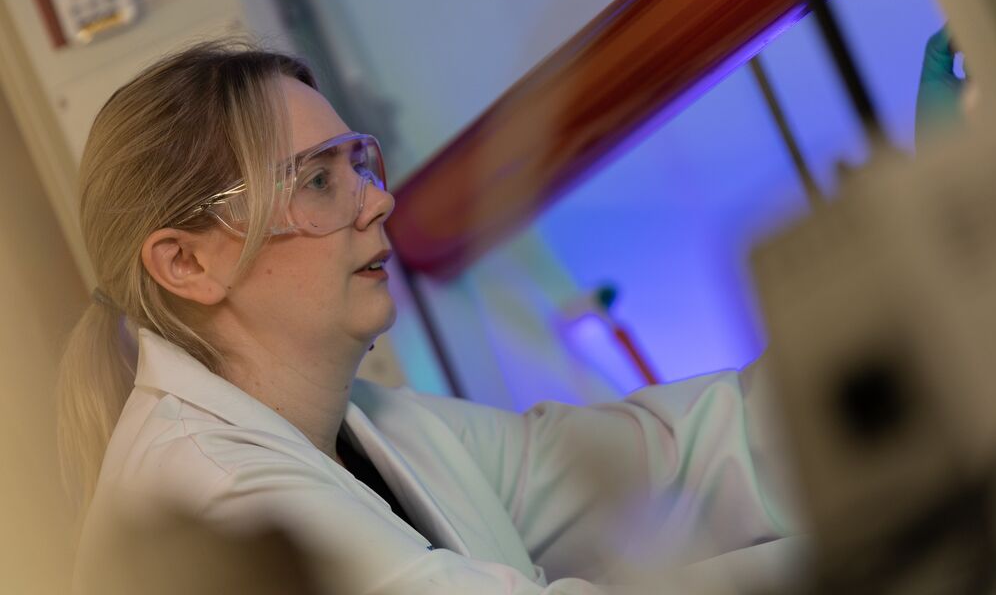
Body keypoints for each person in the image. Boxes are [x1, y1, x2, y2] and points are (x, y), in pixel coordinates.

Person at [59, 42, 802, 595]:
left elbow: (663, 468)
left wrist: (894, 362)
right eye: (319, 180)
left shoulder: (368, 421)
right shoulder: (214, 501)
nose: (377, 201)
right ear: (186, 263)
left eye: (359, 166)